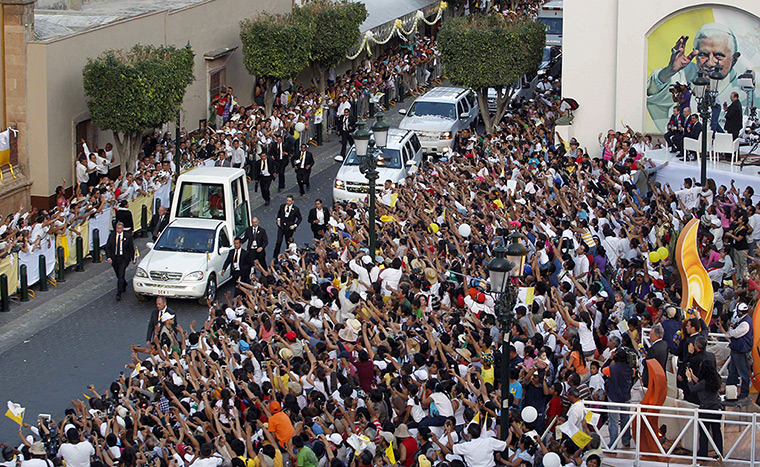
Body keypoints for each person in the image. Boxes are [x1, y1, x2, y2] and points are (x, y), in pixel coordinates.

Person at [646, 23, 754, 131]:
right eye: (703, 54)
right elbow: (652, 91)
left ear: (734, 59)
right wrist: (669, 71)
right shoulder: (686, 72)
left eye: (718, 56)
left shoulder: (745, 86)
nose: (710, 63)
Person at [686, 359, 723, 458]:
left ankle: (703, 452)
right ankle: (719, 452)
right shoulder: (716, 378)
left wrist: (689, 379)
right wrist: (692, 375)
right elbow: (700, 383)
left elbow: (693, 389)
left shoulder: (704, 382)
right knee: (716, 431)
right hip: (716, 408)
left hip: (706, 409)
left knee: (703, 432)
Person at [719, 302, 753, 400]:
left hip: (741, 351)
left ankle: (744, 393)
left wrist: (731, 329)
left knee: (743, 373)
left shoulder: (745, 323)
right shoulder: (742, 321)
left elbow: (732, 334)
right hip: (736, 350)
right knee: (732, 372)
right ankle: (730, 392)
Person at [602, 351, 633, 447]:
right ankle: (626, 440)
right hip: (626, 397)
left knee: (614, 421)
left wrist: (610, 359)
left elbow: (602, 370)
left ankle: (613, 444)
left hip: (614, 397)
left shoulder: (611, 369)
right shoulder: (630, 369)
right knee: (625, 419)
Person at [104, 222, 135, 301]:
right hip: (115, 258)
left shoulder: (128, 237)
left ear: (123, 228)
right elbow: (108, 247)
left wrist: (133, 258)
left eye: (120, 228)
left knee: (121, 274)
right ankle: (123, 283)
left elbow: (131, 248)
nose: (118, 230)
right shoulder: (112, 236)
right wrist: (109, 257)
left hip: (124, 258)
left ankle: (119, 293)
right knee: (118, 274)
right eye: (117, 228)